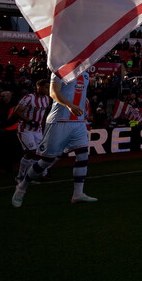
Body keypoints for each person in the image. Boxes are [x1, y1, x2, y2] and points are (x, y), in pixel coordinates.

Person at [12, 70, 97, 207]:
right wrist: (70, 105)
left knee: (83, 156)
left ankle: (78, 194)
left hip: (78, 122)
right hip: (59, 120)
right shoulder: (61, 71)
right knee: (46, 160)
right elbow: (53, 93)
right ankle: (21, 188)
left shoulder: (85, 73)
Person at [13, 79, 51, 182]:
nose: (48, 89)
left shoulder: (47, 99)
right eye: (46, 87)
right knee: (31, 152)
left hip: (37, 130)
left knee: (40, 153)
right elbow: (16, 112)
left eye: (49, 87)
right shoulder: (29, 98)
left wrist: (43, 126)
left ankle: (31, 175)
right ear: (39, 87)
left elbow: (43, 115)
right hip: (25, 129)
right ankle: (20, 177)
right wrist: (29, 121)